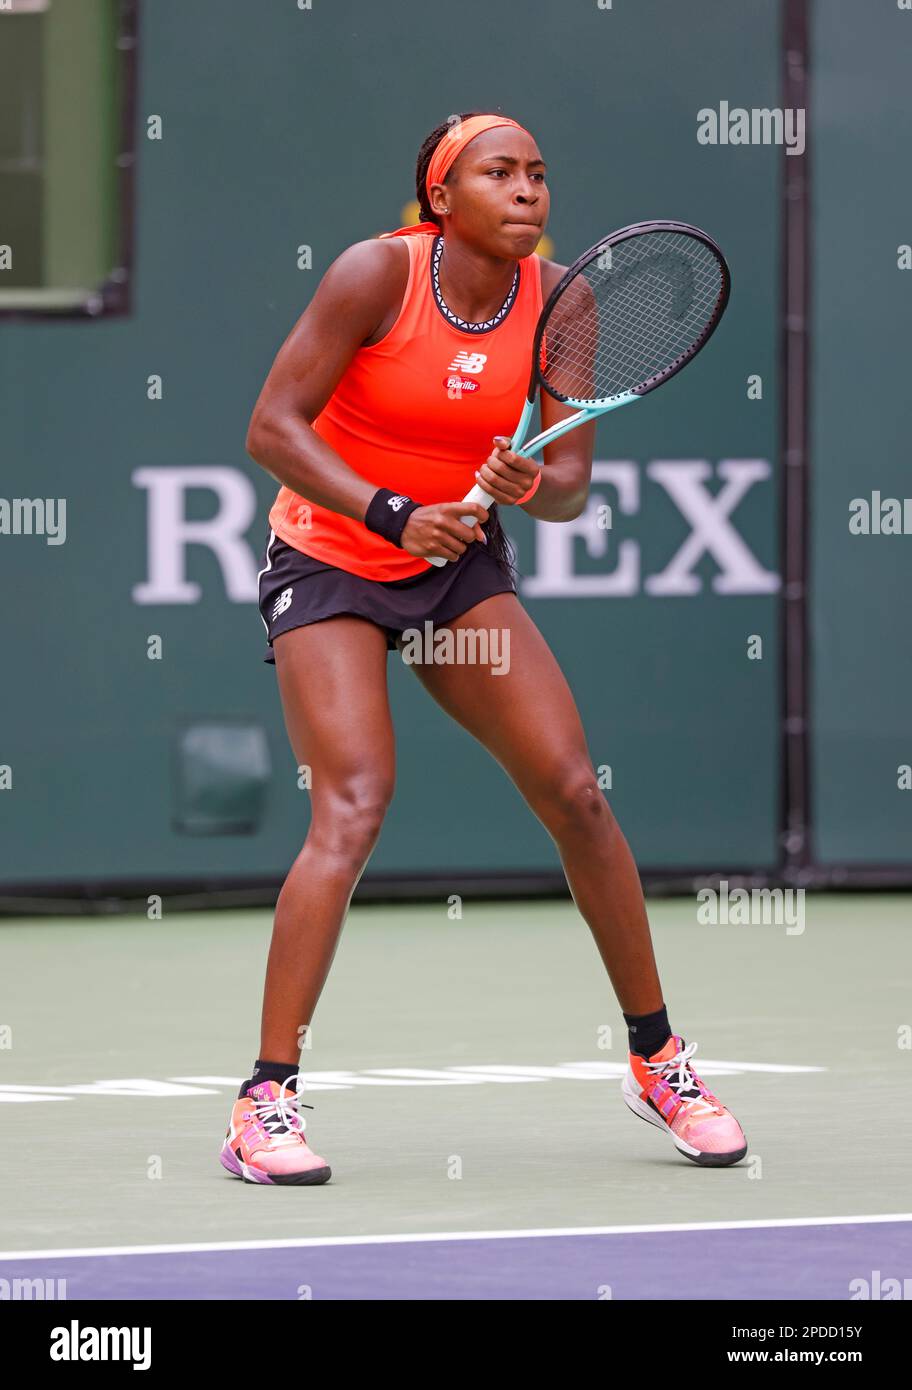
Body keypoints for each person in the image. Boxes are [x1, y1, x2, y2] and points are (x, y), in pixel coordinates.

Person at [219, 111, 747, 1186]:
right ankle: (263, 1100)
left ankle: (657, 1061)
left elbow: (568, 489)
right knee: (354, 803)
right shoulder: (376, 275)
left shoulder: (564, 300)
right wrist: (389, 510)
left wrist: (521, 484)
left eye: (539, 174)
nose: (527, 191)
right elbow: (273, 426)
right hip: (330, 557)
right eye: (498, 173)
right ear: (440, 196)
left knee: (573, 788)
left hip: (456, 565)